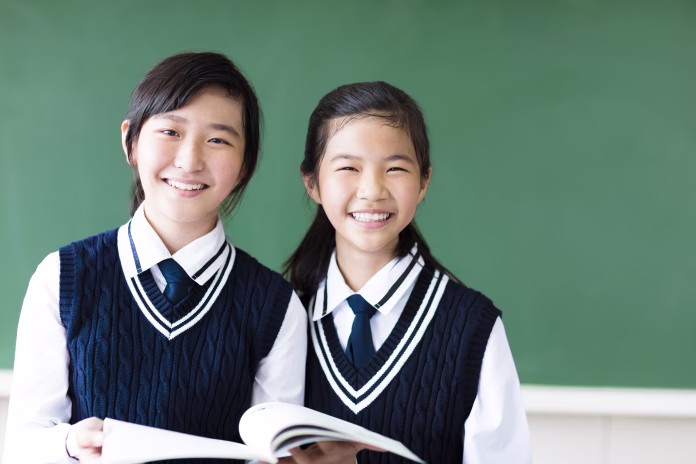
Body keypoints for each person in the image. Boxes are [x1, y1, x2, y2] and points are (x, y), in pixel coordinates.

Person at [2, 52, 307, 464]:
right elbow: (22, 445)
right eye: (170, 131)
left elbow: (275, 455)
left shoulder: (275, 305)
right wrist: (72, 444)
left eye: (218, 139)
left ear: (244, 165)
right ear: (131, 142)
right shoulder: (63, 278)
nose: (189, 160)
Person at [283, 81, 531, 463]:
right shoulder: (284, 318)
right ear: (312, 182)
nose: (372, 189)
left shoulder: (471, 327)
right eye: (348, 167)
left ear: (424, 182)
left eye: (395, 168)